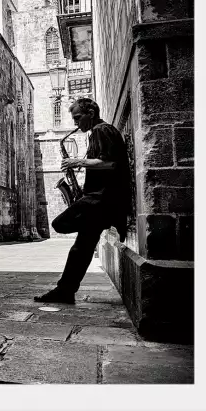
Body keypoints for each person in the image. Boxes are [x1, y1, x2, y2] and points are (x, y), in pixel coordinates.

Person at [35, 97, 132, 304]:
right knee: (82, 248)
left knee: (59, 224)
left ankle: (106, 219)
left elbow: (111, 163)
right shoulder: (100, 132)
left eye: (78, 117)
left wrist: (77, 161)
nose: (76, 123)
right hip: (101, 199)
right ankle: (65, 290)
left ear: (91, 113)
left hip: (100, 199)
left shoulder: (101, 130)